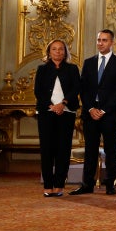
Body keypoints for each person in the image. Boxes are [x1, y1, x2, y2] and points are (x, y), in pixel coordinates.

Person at [71, 29, 116, 196]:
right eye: (99, 40)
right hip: (90, 113)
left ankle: (110, 184)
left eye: (104, 40)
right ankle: (87, 184)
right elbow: (83, 88)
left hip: (109, 113)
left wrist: (103, 109)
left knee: (111, 149)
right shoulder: (88, 63)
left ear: (112, 43)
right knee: (90, 149)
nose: (100, 43)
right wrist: (90, 108)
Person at [34, 40, 80, 197]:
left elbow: (76, 89)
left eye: (61, 49)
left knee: (63, 150)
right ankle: (48, 185)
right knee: (47, 149)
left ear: (65, 52)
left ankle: (59, 185)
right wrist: (52, 106)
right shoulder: (42, 69)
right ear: (49, 52)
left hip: (66, 112)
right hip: (46, 112)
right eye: (54, 49)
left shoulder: (73, 69)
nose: (58, 52)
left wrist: (63, 104)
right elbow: (38, 91)